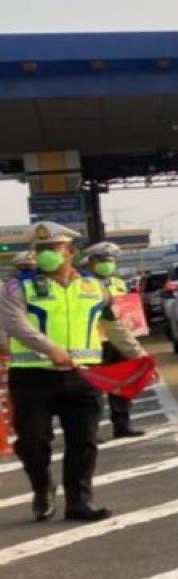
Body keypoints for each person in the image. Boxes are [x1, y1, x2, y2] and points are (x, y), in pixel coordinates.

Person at [1, 222, 147, 522]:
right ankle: (43, 488)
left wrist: (140, 357)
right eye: (40, 250)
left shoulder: (95, 287)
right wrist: (50, 349)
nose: (44, 255)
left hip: (83, 376)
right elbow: (15, 324)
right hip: (33, 376)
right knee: (33, 442)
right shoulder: (19, 286)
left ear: (70, 251)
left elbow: (114, 327)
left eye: (52, 249)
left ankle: (79, 501)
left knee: (83, 441)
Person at [81, 241, 146, 438]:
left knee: (121, 384)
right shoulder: (81, 284)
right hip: (91, 342)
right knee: (91, 390)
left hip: (116, 340)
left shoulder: (118, 283)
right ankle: (90, 432)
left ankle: (122, 425)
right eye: (102, 260)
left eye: (110, 260)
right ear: (91, 262)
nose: (107, 264)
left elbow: (126, 310)